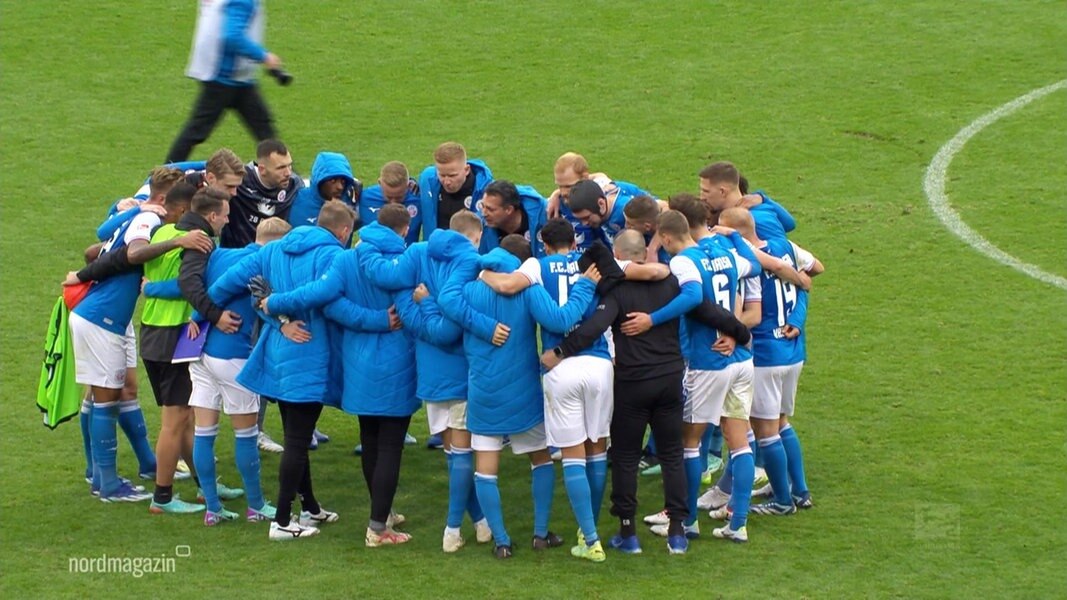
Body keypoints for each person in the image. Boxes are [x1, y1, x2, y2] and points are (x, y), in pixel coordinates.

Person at [544, 228, 750, 555]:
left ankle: (628, 534)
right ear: (645, 254)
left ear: (620, 256)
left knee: (626, 457)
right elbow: (709, 311)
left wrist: (559, 353)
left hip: (632, 384)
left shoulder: (617, 290)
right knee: (672, 454)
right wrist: (740, 333)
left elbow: (594, 328)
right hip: (670, 381)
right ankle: (678, 533)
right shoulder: (672, 285)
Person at [263, 204, 417, 547]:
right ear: (404, 231)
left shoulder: (347, 260)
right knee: (391, 446)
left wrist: (275, 304)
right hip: (398, 362)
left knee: (372, 440)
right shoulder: (408, 260)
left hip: (358, 364)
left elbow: (329, 302)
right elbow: (411, 309)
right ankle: (379, 528)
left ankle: (384, 513)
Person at [439, 235, 599, 559]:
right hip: (524, 390)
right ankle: (540, 534)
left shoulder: (467, 291)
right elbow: (561, 320)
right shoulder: (528, 288)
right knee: (540, 460)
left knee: (486, 468)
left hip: (483, 390)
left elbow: (446, 303)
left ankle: (501, 542)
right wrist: (584, 286)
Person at [209, 201, 357, 541]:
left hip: (277, 354)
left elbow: (229, 283)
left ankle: (310, 507)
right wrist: (278, 307)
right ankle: (283, 521)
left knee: (296, 435)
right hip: (310, 355)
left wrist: (204, 313)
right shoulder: (335, 256)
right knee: (297, 439)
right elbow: (325, 293)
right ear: (344, 231)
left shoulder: (273, 249)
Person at [65, 176, 214, 502]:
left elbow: (97, 250)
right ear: (182, 207)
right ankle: (107, 485)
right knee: (106, 398)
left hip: (100, 316)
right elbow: (132, 255)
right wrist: (178, 242)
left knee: (109, 393)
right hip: (101, 319)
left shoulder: (144, 218)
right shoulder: (149, 220)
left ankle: (102, 473)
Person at [354, 209, 494, 551]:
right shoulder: (471, 263)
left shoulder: (416, 252)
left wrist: (367, 245)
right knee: (460, 457)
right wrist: (431, 307)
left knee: (453, 455)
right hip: (461, 373)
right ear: (475, 237)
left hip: (429, 376)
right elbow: (446, 330)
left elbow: (394, 286)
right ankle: (451, 530)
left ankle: (480, 523)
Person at [629, 210, 760, 544]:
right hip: (741, 359)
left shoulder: (683, 262)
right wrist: (734, 237)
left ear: (668, 237)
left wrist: (651, 319)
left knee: (688, 442)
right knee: (739, 440)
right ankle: (738, 523)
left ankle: (686, 521)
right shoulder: (722, 252)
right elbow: (755, 266)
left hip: (708, 361)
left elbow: (690, 298)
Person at [184, 217, 293, 526]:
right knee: (246, 434)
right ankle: (256, 505)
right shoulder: (261, 261)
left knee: (204, 432)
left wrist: (195, 315)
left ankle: (212, 507)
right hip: (232, 356)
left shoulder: (219, 253)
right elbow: (257, 303)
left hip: (199, 353)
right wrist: (285, 326)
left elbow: (199, 285)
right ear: (278, 244)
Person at [716, 208, 823, 515]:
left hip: (764, 353)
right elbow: (811, 274)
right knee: (781, 422)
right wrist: (798, 317)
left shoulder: (744, 262)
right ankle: (797, 490)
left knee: (765, 430)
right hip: (792, 351)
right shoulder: (784, 246)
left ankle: (782, 503)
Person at [166, 0, 284, 163]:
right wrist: (264, 56)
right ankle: (163, 178)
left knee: (265, 132)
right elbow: (232, 36)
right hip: (224, 80)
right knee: (195, 132)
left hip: (238, 79)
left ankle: (289, 178)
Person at [546, 152, 654, 250]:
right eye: (559, 186)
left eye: (568, 186)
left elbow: (662, 212)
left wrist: (653, 250)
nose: (563, 192)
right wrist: (555, 194)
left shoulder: (622, 207)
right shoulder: (578, 197)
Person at [222, 140, 304, 248]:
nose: (288, 173)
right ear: (262, 169)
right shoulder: (239, 182)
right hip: (239, 255)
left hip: (274, 257)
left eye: (289, 165)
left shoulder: (294, 185)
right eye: (281, 168)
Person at [698, 161, 795, 240]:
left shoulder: (753, 220)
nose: (702, 197)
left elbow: (781, 254)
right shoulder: (761, 206)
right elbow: (789, 223)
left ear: (722, 192)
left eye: (706, 191)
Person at [418, 142, 493, 238]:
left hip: (468, 251)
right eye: (442, 175)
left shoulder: (485, 190)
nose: (446, 181)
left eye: (452, 175)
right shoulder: (427, 180)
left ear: (466, 170)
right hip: (435, 250)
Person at [289, 151, 360, 235]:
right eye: (333, 181)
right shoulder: (295, 199)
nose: (340, 187)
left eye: (343, 181)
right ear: (320, 181)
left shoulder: (351, 201)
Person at [565, 179, 644, 249]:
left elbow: (654, 218)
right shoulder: (598, 193)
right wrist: (556, 194)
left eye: (587, 217)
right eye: (580, 219)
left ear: (601, 204)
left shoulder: (626, 211)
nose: (584, 223)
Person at [478, 180, 548, 257]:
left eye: (490, 209)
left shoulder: (544, 218)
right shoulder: (482, 225)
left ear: (509, 210)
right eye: (482, 206)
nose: (483, 213)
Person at [360, 161, 422, 247]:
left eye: (399, 198)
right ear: (380, 183)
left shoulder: (418, 200)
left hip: (405, 258)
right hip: (371, 258)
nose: (393, 203)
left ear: (408, 185)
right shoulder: (364, 198)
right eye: (388, 197)